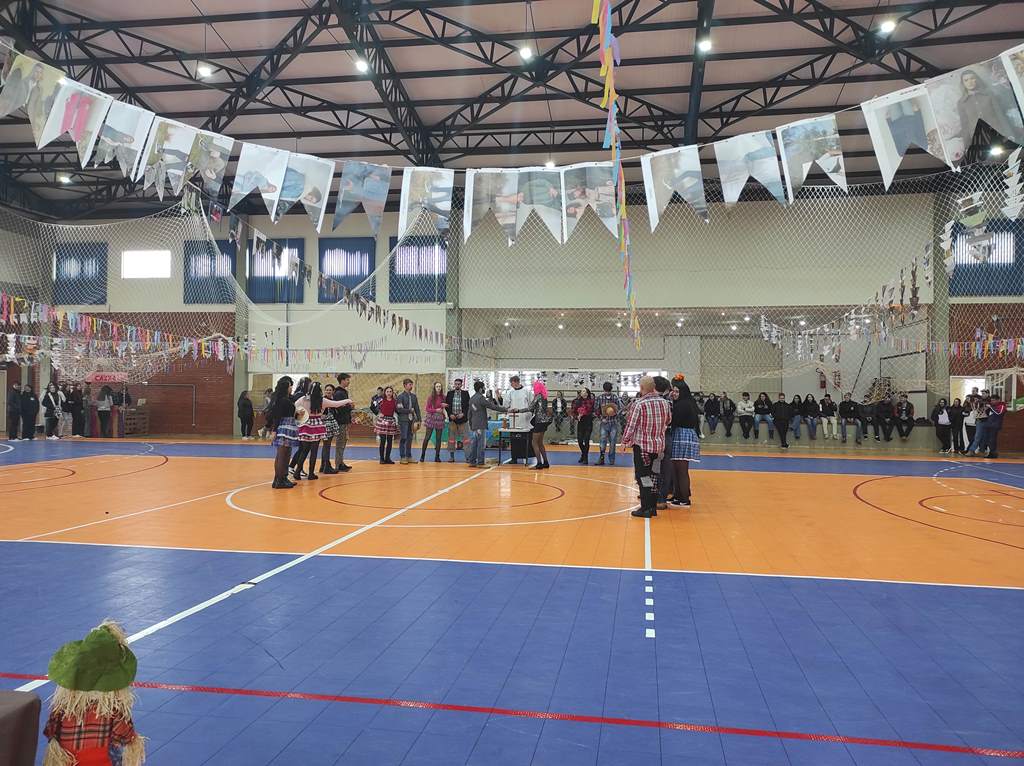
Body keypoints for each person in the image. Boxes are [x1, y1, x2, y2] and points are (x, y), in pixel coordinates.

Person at [42, 620, 145, 766]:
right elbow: (125, 735)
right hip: (102, 761)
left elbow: (50, 731)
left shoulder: (63, 707)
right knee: (115, 753)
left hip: (68, 760)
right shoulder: (112, 710)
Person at [623, 376, 672, 518]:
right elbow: (668, 420)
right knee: (655, 476)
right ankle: (652, 507)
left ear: (642, 388)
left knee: (643, 476)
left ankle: (645, 508)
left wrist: (625, 441)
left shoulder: (639, 404)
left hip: (643, 447)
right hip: (659, 448)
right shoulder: (665, 403)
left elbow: (631, 425)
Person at [292, 382, 351, 481]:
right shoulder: (322, 400)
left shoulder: (303, 399)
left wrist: (299, 414)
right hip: (317, 425)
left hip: (306, 425)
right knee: (314, 451)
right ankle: (311, 473)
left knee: (304, 450)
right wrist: (348, 400)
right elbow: (336, 404)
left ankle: (297, 472)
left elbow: (294, 407)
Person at [666, 376, 700, 507]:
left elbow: (674, 421)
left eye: (677, 391)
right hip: (679, 435)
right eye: (673, 391)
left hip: (683, 436)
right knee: (675, 468)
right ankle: (678, 495)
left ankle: (685, 499)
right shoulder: (683, 402)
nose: (674, 394)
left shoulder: (683, 404)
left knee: (681, 469)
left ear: (683, 392)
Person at [466, 381, 511, 467]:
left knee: (474, 443)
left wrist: (471, 424)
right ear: (480, 389)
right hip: (481, 424)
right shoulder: (481, 398)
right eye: (484, 388)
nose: (485, 389)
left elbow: (470, 413)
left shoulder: (472, 398)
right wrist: (506, 410)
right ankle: (480, 462)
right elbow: (492, 406)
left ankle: (472, 461)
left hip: (474, 424)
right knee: (481, 444)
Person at [266, 377, 298, 488]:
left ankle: (280, 478)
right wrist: (274, 430)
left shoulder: (284, 399)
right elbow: (277, 416)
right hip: (285, 428)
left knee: (284, 454)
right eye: (290, 386)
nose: (291, 388)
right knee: (282, 455)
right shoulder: (282, 400)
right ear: (285, 388)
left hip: (288, 426)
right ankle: (280, 480)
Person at [503, 375, 533, 464]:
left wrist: (529, 414)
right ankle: (514, 457)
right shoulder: (510, 392)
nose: (511, 385)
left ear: (516, 382)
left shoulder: (526, 391)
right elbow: (506, 404)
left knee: (524, 439)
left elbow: (531, 404)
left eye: (512, 383)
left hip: (524, 419)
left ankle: (526, 456)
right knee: (514, 439)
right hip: (514, 419)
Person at [328, 373, 354, 472]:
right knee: (340, 443)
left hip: (344, 421)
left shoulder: (343, 392)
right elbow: (339, 407)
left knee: (343, 443)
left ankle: (341, 462)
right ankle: (338, 464)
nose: (349, 381)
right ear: (342, 381)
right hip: (341, 421)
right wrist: (350, 406)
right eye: (347, 380)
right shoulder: (339, 393)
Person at [595, 381, 622, 466]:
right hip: (604, 423)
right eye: (606, 391)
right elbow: (596, 410)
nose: (607, 393)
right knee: (602, 440)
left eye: (609, 391)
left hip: (613, 422)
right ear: (603, 390)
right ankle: (601, 457)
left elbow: (620, 408)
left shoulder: (615, 397)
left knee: (613, 442)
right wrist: (601, 418)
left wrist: (615, 414)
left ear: (611, 390)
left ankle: (612, 459)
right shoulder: (600, 398)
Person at [396, 378, 421, 464]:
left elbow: (417, 408)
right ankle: (402, 457)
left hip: (412, 420)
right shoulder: (400, 397)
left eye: (411, 384)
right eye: (409, 384)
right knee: (404, 438)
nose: (411, 386)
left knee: (410, 438)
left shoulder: (414, 396)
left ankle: (409, 456)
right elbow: (399, 410)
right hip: (403, 420)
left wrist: (419, 419)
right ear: (405, 385)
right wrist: (409, 410)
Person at [420, 382, 447, 463]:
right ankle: (422, 455)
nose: (438, 388)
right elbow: (427, 409)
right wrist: (436, 410)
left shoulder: (443, 397)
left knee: (438, 438)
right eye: (437, 386)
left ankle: (437, 457)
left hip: (440, 419)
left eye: (440, 386)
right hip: (431, 418)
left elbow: (446, 406)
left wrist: (444, 406)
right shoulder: (431, 397)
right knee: (427, 437)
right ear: (434, 388)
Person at [445, 378, 470, 462]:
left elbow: (468, 406)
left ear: (461, 385)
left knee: (466, 439)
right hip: (453, 420)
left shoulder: (465, 394)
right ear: (454, 385)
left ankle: (467, 457)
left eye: (459, 384)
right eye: (456, 384)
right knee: (451, 439)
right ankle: (451, 457)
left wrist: (463, 414)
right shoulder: (450, 393)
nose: (457, 385)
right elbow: (447, 406)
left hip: (463, 419)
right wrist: (450, 414)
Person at [319, 384, 341, 473]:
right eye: (327, 390)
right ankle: (326, 467)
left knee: (326, 445)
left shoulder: (332, 401)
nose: (328, 391)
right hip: (326, 424)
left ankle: (323, 466)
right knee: (326, 446)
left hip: (331, 424)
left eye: (330, 390)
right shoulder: (323, 401)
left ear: (333, 391)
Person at [374, 385, 399, 464]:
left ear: (392, 393)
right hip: (382, 421)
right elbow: (373, 406)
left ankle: (387, 458)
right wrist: (378, 413)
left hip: (391, 421)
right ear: (385, 392)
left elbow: (397, 410)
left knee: (390, 441)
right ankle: (381, 459)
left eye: (390, 392)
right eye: (387, 391)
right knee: (383, 440)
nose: (389, 393)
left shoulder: (395, 401)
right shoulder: (381, 400)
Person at [977, 393, 1005, 458]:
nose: (992, 401)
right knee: (988, 440)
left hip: (995, 425)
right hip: (988, 425)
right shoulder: (991, 405)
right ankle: (991, 452)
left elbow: (999, 413)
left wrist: (990, 407)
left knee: (992, 440)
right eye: (991, 400)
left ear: (998, 400)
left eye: (993, 400)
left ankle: (993, 453)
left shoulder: (1002, 406)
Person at [572, 387, 596, 464]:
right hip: (581, 422)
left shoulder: (592, 401)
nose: (583, 392)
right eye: (582, 391)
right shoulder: (577, 401)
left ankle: (585, 458)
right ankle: (583, 454)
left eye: (584, 391)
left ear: (587, 393)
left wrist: (591, 415)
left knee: (586, 440)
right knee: (580, 441)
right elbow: (573, 412)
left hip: (588, 422)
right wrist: (577, 417)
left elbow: (595, 411)